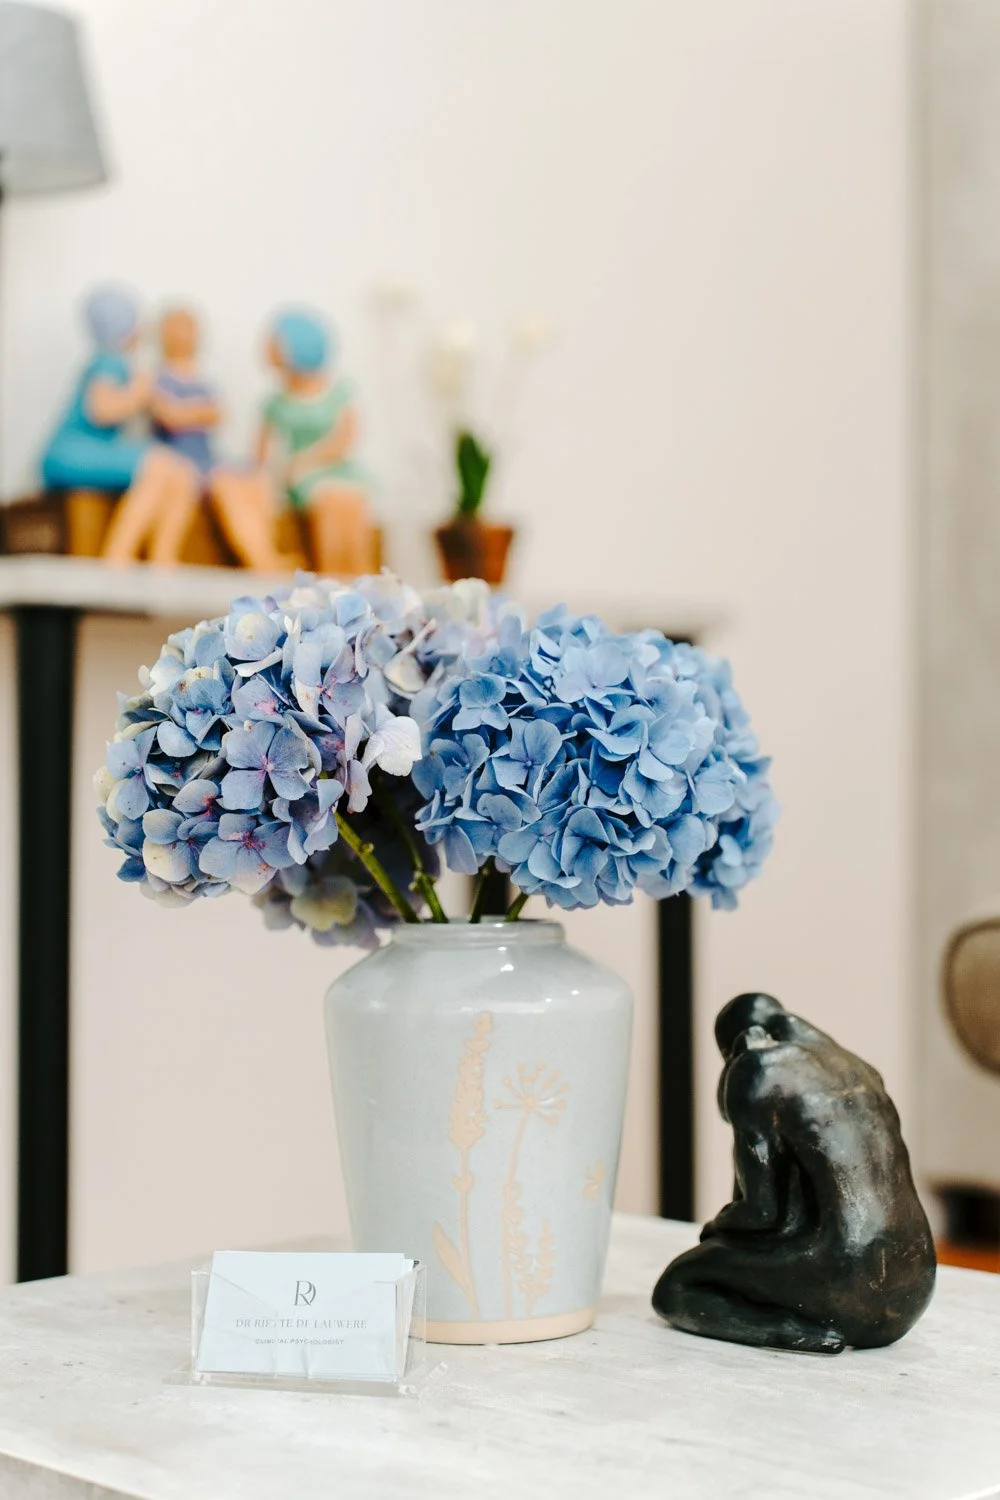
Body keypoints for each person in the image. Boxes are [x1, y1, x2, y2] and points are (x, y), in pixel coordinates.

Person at [652, 993, 936, 1353]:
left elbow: (762, 1213)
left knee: (676, 1286)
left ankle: (790, 1330)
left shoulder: (757, 1069)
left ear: (736, 1045)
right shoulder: (855, 1066)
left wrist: (718, 1227)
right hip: (913, 1290)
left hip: (845, 1280)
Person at [40, 287, 200, 566]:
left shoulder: (120, 363)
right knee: (160, 464)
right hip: (73, 454)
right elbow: (101, 410)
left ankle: (163, 556)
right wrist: (139, 391)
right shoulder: (109, 360)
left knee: (182, 473)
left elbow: (166, 411)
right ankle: (119, 553)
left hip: (89, 453)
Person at [150, 307, 285, 570]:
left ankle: (269, 551)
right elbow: (170, 416)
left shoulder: (203, 382)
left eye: (189, 327)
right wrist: (197, 412)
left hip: (208, 457)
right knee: (226, 484)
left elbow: (217, 414)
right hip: (178, 460)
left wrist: (188, 412)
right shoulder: (155, 378)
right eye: (176, 326)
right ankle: (260, 560)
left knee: (255, 480)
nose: (183, 334)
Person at [258, 309, 376, 577]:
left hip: (337, 469)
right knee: (330, 501)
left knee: (351, 502)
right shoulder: (275, 404)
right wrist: (281, 476)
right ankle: (331, 577)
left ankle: (363, 580)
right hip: (302, 478)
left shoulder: (339, 392)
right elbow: (261, 458)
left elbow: (345, 438)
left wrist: (308, 460)